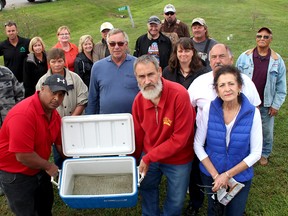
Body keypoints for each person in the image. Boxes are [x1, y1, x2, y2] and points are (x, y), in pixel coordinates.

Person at [194, 65, 262, 216]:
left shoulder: (253, 113)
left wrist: (227, 175)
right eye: (222, 85)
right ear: (217, 90)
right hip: (211, 174)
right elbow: (198, 145)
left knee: (234, 212)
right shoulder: (208, 110)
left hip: (240, 177)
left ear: (239, 87)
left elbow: (256, 153)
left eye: (231, 84)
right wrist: (216, 176)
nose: (227, 89)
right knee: (214, 210)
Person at [132, 54, 195, 216]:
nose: (147, 81)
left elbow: (180, 139)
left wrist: (148, 157)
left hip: (178, 158)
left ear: (159, 71)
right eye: (142, 76)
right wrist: (136, 158)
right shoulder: (138, 101)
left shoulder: (179, 94)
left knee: (176, 201)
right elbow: (138, 135)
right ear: (137, 79)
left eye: (151, 74)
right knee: (147, 189)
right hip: (150, 155)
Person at [0, 74, 68, 216]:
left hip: (38, 167)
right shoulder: (24, 115)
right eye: (53, 93)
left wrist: (74, 161)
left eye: (61, 94)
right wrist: (49, 166)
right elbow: (23, 156)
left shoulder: (54, 115)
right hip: (16, 172)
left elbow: (60, 144)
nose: (57, 98)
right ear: (42, 89)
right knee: (26, 211)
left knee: (45, 205)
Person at [236, 27, 286, 166]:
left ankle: (264, 153)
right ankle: (246, 151)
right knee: (244, 128)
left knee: (266, 131)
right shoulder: (244, 57)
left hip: (266, 104)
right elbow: (235, 79)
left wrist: (276, 105)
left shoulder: (277, 60)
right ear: (256, 38)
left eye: (265, 36)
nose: (262, 39)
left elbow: (281, 87)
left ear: (271, 39)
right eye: (259, 36)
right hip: (247, 102)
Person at [36, 48, 88, 168]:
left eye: (60, 61)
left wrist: (71, 120)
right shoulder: (42, 81)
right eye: (53, 62)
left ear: (64, 62)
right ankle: (61, 173)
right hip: (54, 125)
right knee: (59, 154)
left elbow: (83, 99)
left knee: (79, 149)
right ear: (49, 63)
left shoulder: (75, 78)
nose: (57, 64)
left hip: (75, 123)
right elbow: (40, 104)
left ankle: (81, 168)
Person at [188, 43, 261, 114]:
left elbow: (255, 110)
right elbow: (187, 108)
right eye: (214, 57)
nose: (217, 61)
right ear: (210, 62)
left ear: (231, 60)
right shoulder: (198, 83)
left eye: (222, 56)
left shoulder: (246, 81)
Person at [86, 28, 138, 114]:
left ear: (126, 45)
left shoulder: (138, 65)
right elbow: (92, 99)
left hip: (133, 120)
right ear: (108, 45)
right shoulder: (97, 67)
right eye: (112, 44)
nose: (116, 47)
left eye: (120, 43)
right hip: (106, 122)